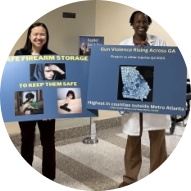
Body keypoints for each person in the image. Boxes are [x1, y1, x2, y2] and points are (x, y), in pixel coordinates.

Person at [118, 11, 171, 189]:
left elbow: (167, 69)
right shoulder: (123, 45)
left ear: (149, 24)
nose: (141, 24)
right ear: (131, 24)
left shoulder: (159, 43)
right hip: (133, 100)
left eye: (144, 21)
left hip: (155, 101)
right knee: (133, 140)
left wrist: (151, 53)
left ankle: (157, 178)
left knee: (158, 142)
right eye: (137, 21)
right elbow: (118, 73)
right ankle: (130, 178)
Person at [14, 22, 56, 184]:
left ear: (46, 37)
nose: (39, 37)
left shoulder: (53, 57)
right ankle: (26, 174)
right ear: (30, 37)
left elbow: (55, 86)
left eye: (42, 34)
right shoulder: (19, 55)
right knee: (27, 140)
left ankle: (49, 177)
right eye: (35, 34)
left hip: (47, 107)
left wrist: (51, 109)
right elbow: (14, 81)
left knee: (48, 141)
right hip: (26, 104)